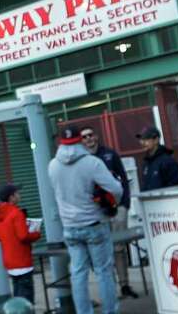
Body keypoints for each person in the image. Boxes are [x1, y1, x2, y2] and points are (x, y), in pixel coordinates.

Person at [48, 126, 123, 314]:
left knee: (78, 274)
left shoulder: (53, 165)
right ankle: (110, 311)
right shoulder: (92, 163)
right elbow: (116, 190)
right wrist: (110, 203)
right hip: (94, 224)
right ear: (79, 140)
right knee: (103, 272)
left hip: (70, 227)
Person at [80, 127, 136, 300]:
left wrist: (125, 204)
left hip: (117, 208)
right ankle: (109, 289)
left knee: (119, 248)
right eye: (84, 137)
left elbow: (123, 179)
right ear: (80, 141)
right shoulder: (82, 160)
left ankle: (124, 285)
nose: (89, 139)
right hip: (97, 212)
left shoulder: (110, 155)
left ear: (96, 136)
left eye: (91, 134)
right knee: (104, 251)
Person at [0, 184, 41, 305]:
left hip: (10, 262)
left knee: (18, 295)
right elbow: (23, 236)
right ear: (11, 197)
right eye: (17, 193)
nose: (19, 195)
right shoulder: (16, 213)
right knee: (26, 299)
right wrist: (36, 233)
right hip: (22, 260)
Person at [137, 126, 178, 191]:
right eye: (141, 139)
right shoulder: (146, 163)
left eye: (146, 139)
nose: (142, 142)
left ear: (156, 140)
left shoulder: (168, 161)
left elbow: (175, 187)